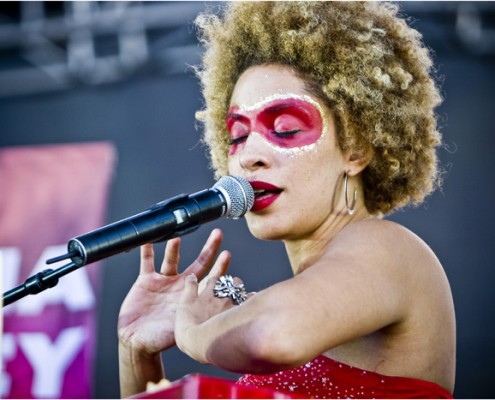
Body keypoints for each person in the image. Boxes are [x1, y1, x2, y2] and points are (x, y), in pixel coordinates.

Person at [117, 2, 456, 399]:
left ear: (356, 150)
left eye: (285, 128)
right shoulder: (287, 305)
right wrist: (136, 351)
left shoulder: (387, 247)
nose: (248, 156)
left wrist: (190, 332)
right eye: (238, 135)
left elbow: (271, 336)